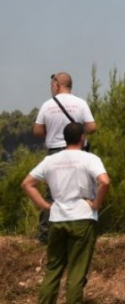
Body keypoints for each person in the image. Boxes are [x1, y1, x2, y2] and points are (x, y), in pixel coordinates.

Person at [22, 122, 110, 304]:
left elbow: (27, 184)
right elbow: (104, 182)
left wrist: (45, 206)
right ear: (82, 138)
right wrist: (96, 204)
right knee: (76, 271)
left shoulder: (50, 160)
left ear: (64, 138)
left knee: (53, 269)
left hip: (57, 218)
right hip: (82, 217)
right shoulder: (90, 159)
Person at [32, 72, 97, 243]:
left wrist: (52, 129)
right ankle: (83, 233)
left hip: (55, 152)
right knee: (82, 191)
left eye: (52, 85)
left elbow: (37, 131)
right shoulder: (81, 103)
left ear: (57, 84)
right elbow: (91, 127)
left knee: (52, 194)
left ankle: (46, 235)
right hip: (78, 150)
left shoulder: (47, 105)